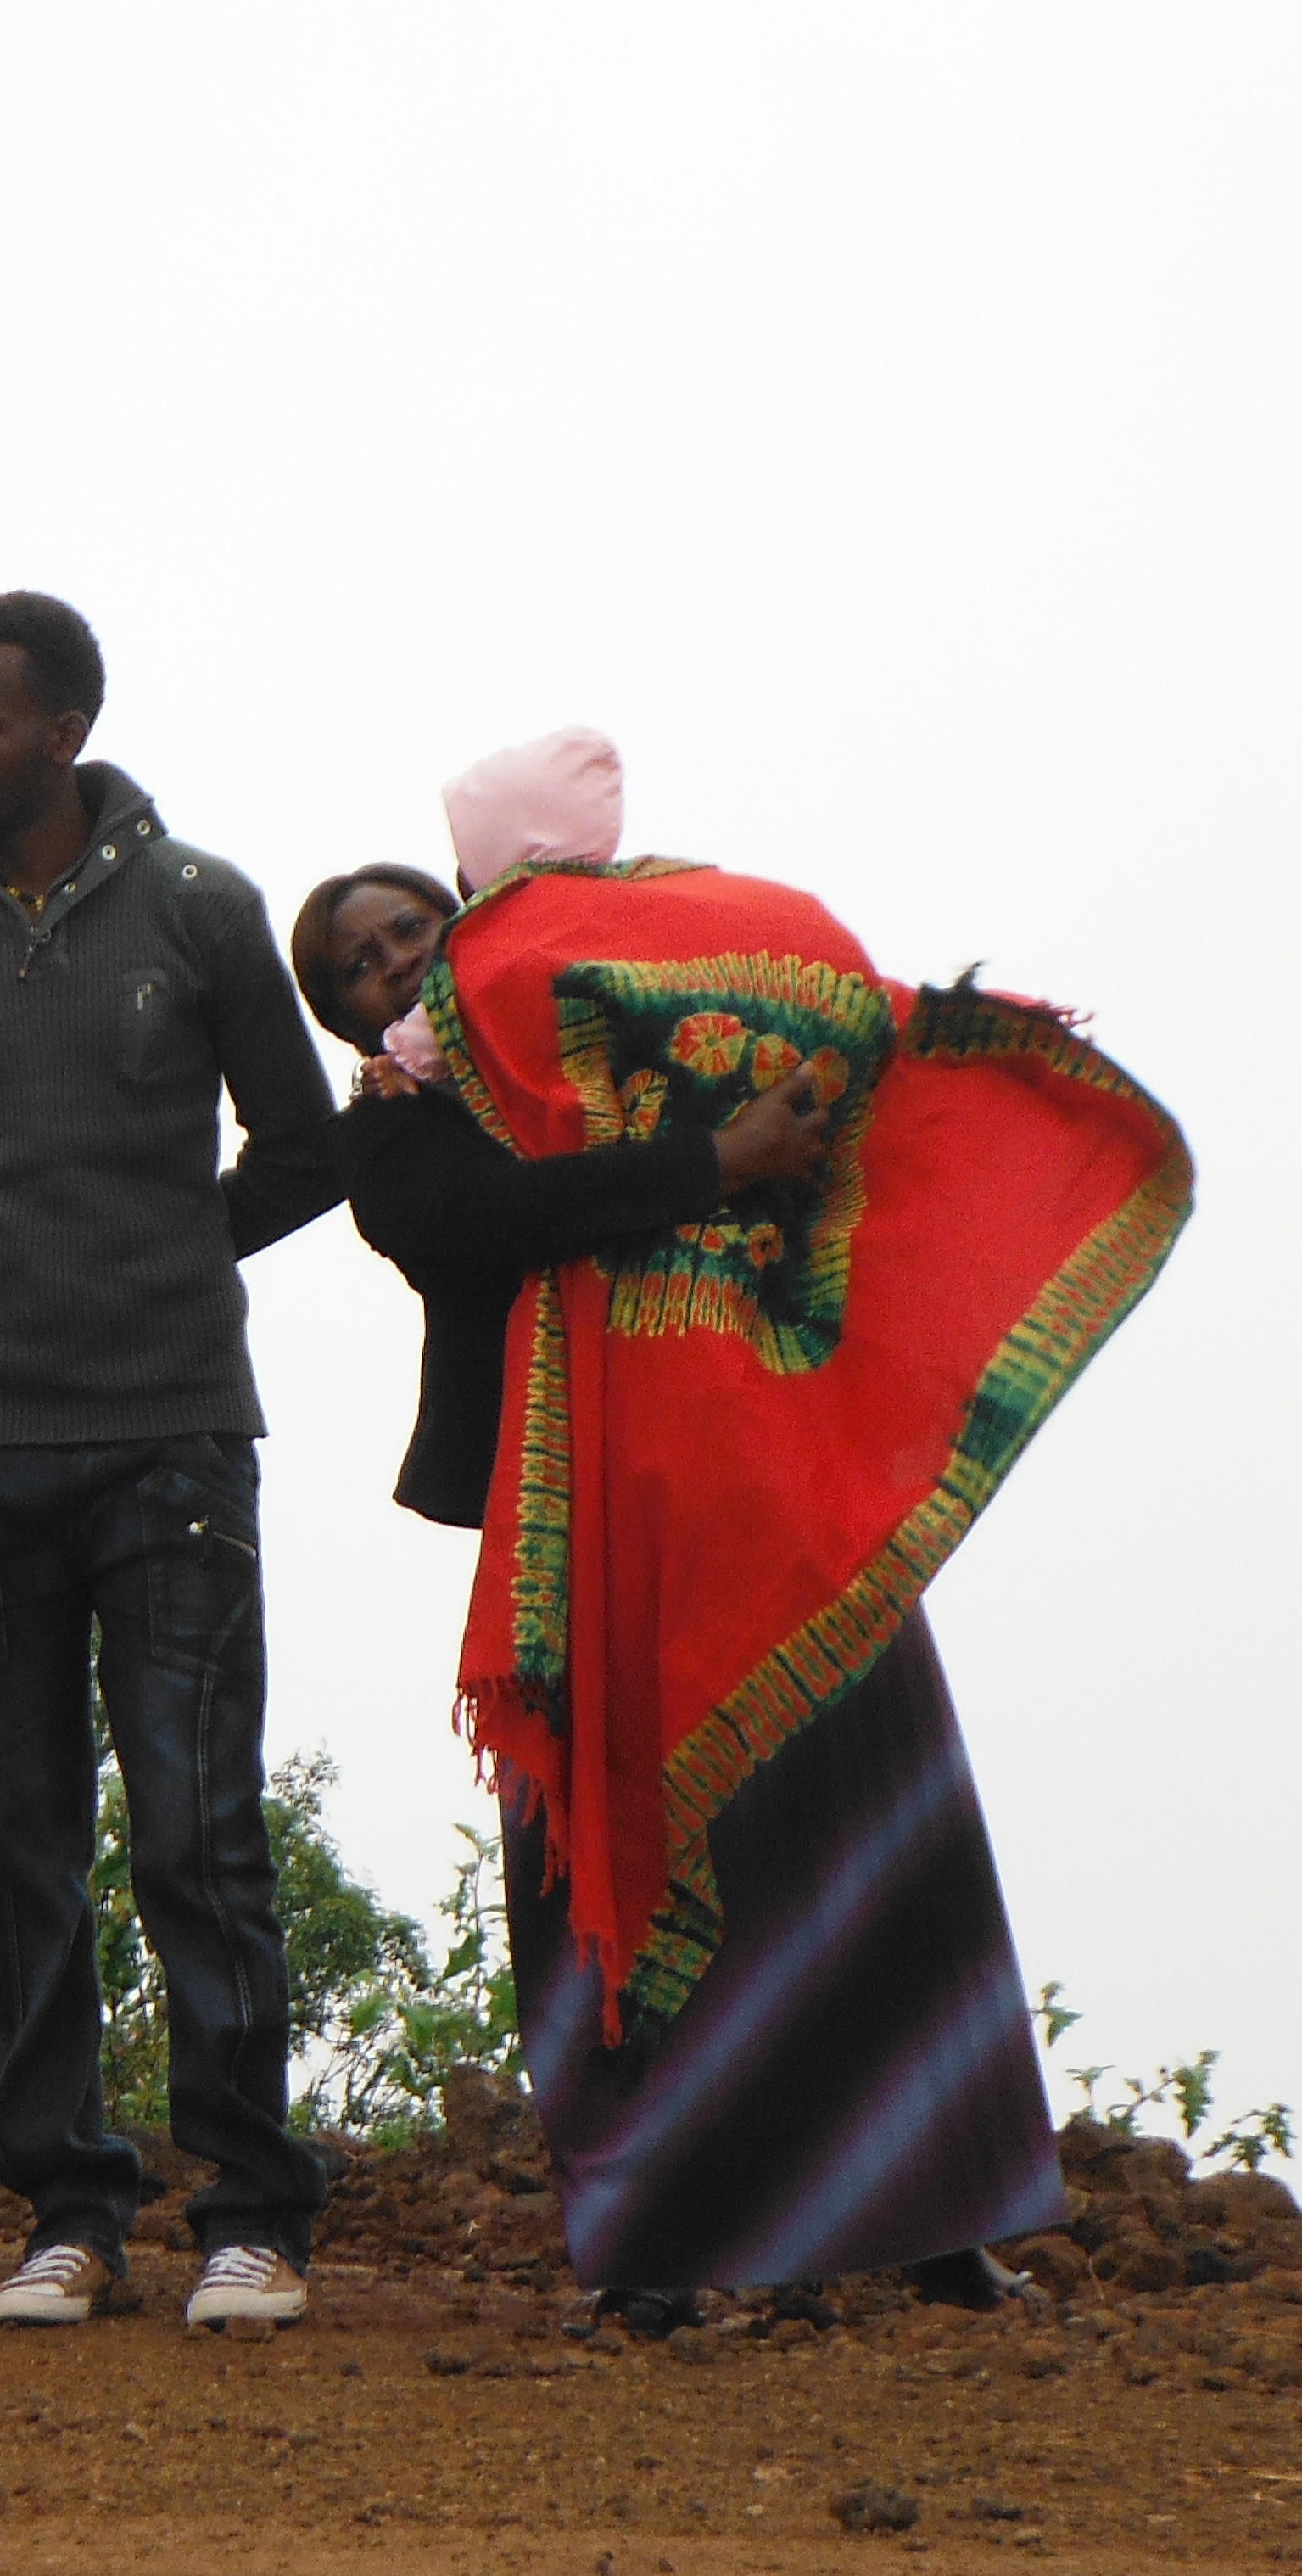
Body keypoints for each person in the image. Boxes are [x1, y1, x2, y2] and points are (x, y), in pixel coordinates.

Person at [293, 729, 1192, 2321]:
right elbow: (485, 1224)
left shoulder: (632, 1031)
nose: (387, 970)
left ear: (476, 922)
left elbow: (827, 1107)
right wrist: (717, 1157)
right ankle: (657, 2250)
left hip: (777, 1478)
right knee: (609, 1862)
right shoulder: (396, 1130)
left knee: (870, 1827)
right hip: (582, 1526)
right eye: (353, 974)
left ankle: (935, 2222)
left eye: (406, 932)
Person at [0, 591, 344, 2332]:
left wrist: (160, 1261)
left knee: (200, 1835)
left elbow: (306, 1150)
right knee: (25, 1849)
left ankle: (253, 2218)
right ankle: (70, 2208)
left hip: (174, 1450)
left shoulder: (201, 909)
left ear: (64, 732)